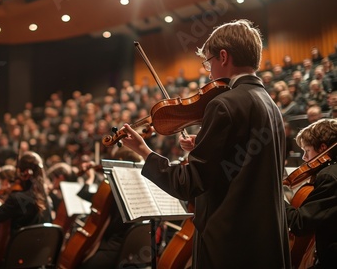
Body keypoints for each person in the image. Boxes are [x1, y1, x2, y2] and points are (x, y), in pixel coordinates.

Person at [121, 19, 291, 268]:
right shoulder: (271, 105)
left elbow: (189, 183)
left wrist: (144, 152)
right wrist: (204, 145)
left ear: (223, 56)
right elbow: (245, 164)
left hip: (229, 246)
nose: (208, 72)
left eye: (208, 62)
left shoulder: (223, 104)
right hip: (265, 243)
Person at [285, 118, 337, 268]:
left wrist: (274, 198)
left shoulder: (329, 176)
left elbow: (300, 223)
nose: (304, 158)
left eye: (307, 151)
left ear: (322, 148)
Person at [0, 151, 52, 233]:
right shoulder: (48, 200)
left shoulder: (16, 199)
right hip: (40, 245)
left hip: (18, 245)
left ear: (23, 173)